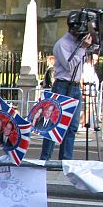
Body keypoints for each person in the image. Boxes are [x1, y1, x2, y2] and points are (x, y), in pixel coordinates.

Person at [39, 17, 94, 161]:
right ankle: (45, 159)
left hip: (75, 87)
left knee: (72, 126)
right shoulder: (62, 44)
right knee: (53, 124)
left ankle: (65, 160)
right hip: (62, 86)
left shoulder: (80, 43)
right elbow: (70, 67)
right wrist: (82, 49)